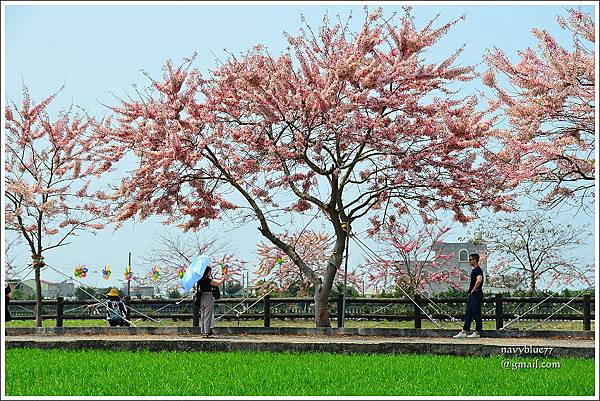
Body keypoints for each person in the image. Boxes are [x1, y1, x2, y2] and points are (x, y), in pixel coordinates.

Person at [454, 253, 484, 338]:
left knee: (476, 313)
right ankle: (464, 331)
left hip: (476, 294)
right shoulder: (474, 270)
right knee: (468, 313)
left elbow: (479, 280)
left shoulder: (478, 270)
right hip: (472, 295)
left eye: (470, 259)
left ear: (475, 260)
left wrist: (474, 289)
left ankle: (478, 332)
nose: (469, 261)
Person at [195, 266, 226, 337]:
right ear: (207, 272)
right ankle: (206, 332)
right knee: (208, 316)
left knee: (203, 315)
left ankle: (203, 332)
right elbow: (219, 283)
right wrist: (224, 277)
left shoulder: (200, 280)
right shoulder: (208, 280)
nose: (210, 273)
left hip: (202, 297)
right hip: (208, 297)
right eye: (209, 271)